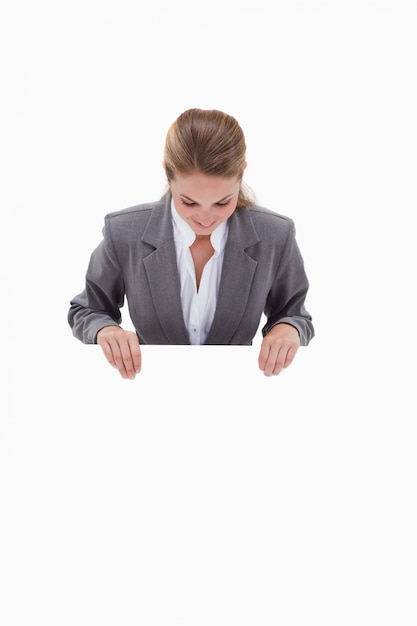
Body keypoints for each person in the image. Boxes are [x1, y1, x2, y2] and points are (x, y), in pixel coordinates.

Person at [68, 108, 314, 379]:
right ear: (168, 175)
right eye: (189, 202)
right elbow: (88, 309)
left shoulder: (276, 235)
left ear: (242, 174)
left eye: (223, 202)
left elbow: (294, 314)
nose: (206, 219)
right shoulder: (124, 232)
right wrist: (107, 330)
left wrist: (288, 329)